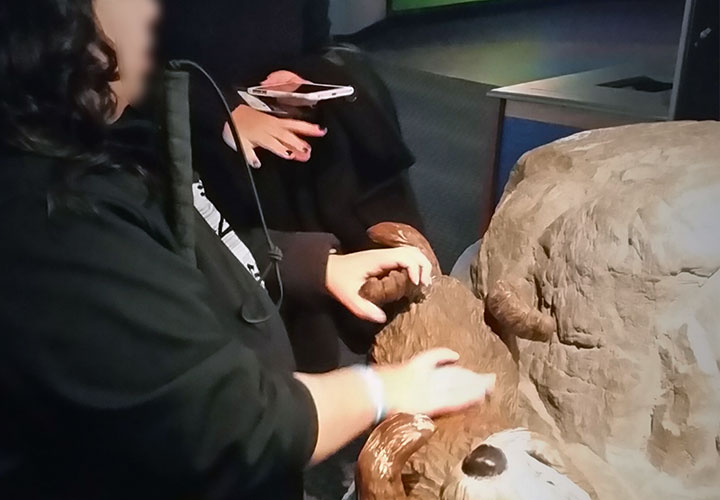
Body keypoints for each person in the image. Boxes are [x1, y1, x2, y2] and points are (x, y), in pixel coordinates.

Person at [0, 1, 497, 498]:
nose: (151, 14)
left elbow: (185, 240)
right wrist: (381, 390)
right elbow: (231, 423)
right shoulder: (54, 214)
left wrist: (314, 266)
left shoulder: (106, 150)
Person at [163, 0, 425, 370]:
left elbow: (315, 43)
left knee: (302, 333)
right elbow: (117, 68)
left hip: (284, 160)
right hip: (189, 154)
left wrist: (297, 78)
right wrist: (221, 114)